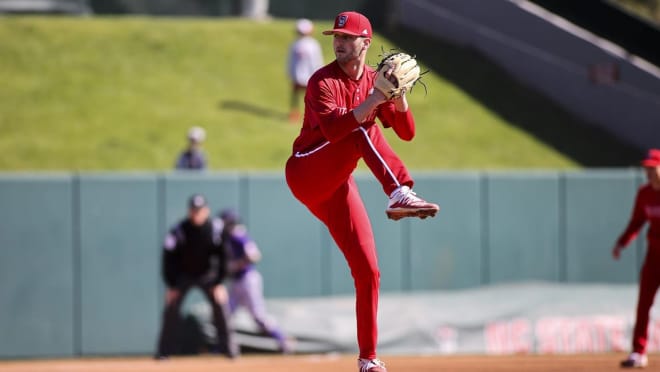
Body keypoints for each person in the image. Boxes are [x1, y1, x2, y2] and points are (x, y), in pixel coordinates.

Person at [284, 11, 439, 372]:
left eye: (347, 37)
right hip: (307, 170)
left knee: (368, 270)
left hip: (338, 186)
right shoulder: (322, 81)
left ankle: (368, 359)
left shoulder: (375, 80)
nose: (338, 42)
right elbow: (338, 130)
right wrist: (374, 100)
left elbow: (407, 132)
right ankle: (399, 189)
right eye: (336, 36)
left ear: (366, 43)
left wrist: (398, 98)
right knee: (357, 126)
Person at [155, 194, 238, 359]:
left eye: (199, 210)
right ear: (189, 211)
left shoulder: (215, 229)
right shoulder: (179, 230)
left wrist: (219, 283)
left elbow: (224, 257)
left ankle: (229, 350)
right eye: (193, 210)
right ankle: (163, 352)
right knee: (171, 308)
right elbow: (168, 258)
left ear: (206, 211)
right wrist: (171, 285)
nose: (196, 214)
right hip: (183, 275)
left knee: (220, 305)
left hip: (208, 275)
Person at [218, 208, 292, 354]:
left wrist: (236, 264)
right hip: (237, 282)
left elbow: (254, 255)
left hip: (248, 280)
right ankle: (225, 347)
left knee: (259, 317)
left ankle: (282, 340)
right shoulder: (225, 238)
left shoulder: (238, 235)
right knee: (226, 314)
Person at [613, 148, 660, 369]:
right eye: (647, 168)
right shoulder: (644, 193)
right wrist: (622, 242)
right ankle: (638, 352)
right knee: (643, 304)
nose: (649, 172)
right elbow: (637, 221)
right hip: (654, 255)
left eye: (653, 168)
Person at [287, 18, 324, 122]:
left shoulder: (313, 45)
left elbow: (316, 61)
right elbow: (291, 61)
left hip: (310, 76)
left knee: (312, 97)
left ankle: (313, 114)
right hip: (297, 76)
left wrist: (318, 75)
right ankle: (294, 113)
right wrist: (291, 73)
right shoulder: (294, 44)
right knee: (295, 96)